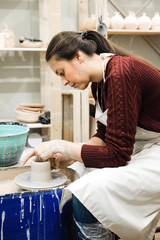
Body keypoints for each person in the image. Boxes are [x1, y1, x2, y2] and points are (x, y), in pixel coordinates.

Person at [23, 30, 160, 240]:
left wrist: (60, 145)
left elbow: (116, 155)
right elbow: (104, 134)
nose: (64, 81)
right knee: (77, 170)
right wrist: (70, 156)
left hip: (155, 150)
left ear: (78, 56)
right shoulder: (100, 80)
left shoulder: (121, 73)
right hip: (144, 146)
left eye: (61, 72)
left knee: (88, 191)